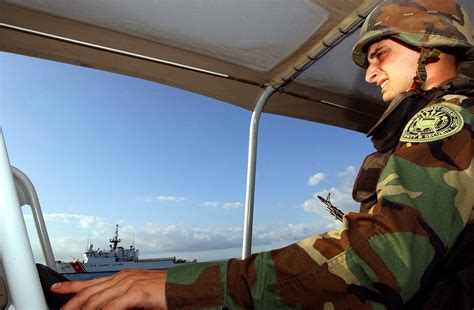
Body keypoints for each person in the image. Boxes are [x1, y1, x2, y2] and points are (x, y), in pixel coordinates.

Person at [52, 0, 474, 308]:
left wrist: (174, 287)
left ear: (430, 44)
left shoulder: (451, 119)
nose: (368, 73)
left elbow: (380, 260)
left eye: (380, 53)